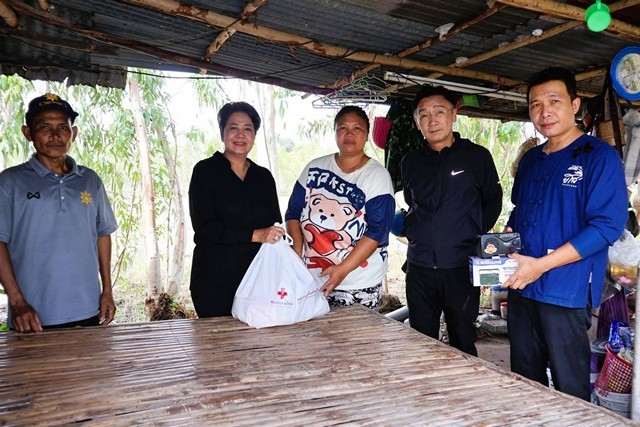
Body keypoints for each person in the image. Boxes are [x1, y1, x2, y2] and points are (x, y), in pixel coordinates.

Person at [503, 67, 628, 401]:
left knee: (569, 386)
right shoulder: (531, 160)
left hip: (565, 291)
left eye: (554, 101)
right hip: (523, 285)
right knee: (525, 383)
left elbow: (607, 226)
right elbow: (519, 210)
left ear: (575, 105)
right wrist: (508, 235)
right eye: (536, 104)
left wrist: (541, 266)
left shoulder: (598, 157)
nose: (544, 112)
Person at [0, 93, 118, 333]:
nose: (55, 135)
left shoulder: (90, 180)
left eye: (63, 127)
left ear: (73, 133)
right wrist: (17, 302)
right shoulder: (10, 182)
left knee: (88, 359)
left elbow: (102, 234)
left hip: (88, 309)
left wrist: (107, 291)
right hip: (32, 315)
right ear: (28, 133)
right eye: (44, 127)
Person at [401, 85, 502, 356]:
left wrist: (468, 233)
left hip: (461, 267)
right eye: (424, 115)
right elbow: (412, 203)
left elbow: (493, 201)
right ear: (417, 122)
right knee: (422, 342)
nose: (432, 120)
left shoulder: (476, 157)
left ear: (453, 114)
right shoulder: (411, 161)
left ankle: (467, 383)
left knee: (463, 339)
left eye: (439, 112)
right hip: (419, 268)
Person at [285, 106, 394, 309]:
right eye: (343, 128)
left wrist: (343, 268)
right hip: (312, 279)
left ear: (366, 135)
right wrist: (297, 251)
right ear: (334, 132)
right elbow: (293, 213)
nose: (349, 134)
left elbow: (377, 231)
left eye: (357, 129)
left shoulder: (377, 176)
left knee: (354, 331)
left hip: (358, 284)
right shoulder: (314, 167)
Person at [188, 101, 284, 318]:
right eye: (233, 128)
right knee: (218, 337)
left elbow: (275, 224)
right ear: (222, 133)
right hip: (214, 281)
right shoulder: (205, 171)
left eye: (247, 129)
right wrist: (255, 235)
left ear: (254, 135)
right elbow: (204, 227)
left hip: (258, 280)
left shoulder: (263, 177)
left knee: (258, 337)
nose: (240, 135)